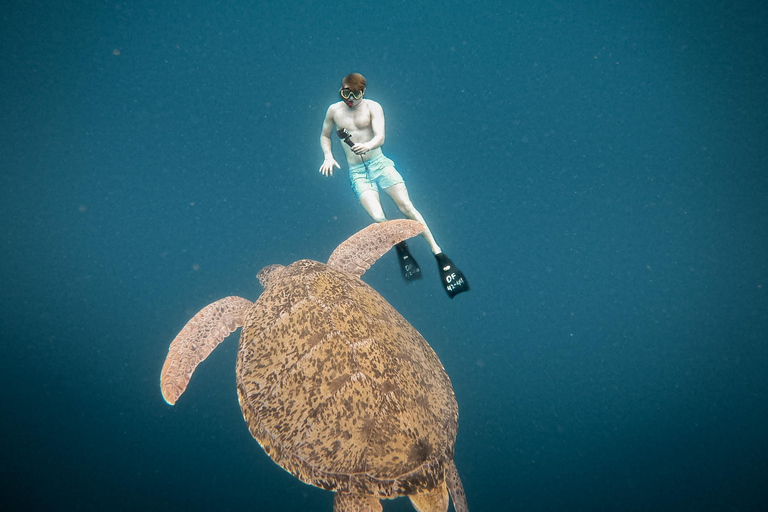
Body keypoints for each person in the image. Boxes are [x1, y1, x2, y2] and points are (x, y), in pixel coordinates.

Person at [319, 73, 469, 298]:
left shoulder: (373, 108)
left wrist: (368, 144)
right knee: (379, 219)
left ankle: (438, 254)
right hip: (358, 173)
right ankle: (402, 247)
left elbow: (380, 136)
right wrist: (328, 156)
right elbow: (325, 135)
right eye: (345, 93)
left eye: (355, 94)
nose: (349, 98)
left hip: (379, 163)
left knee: (407, 207)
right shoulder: (334, 110)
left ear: (363, 92)